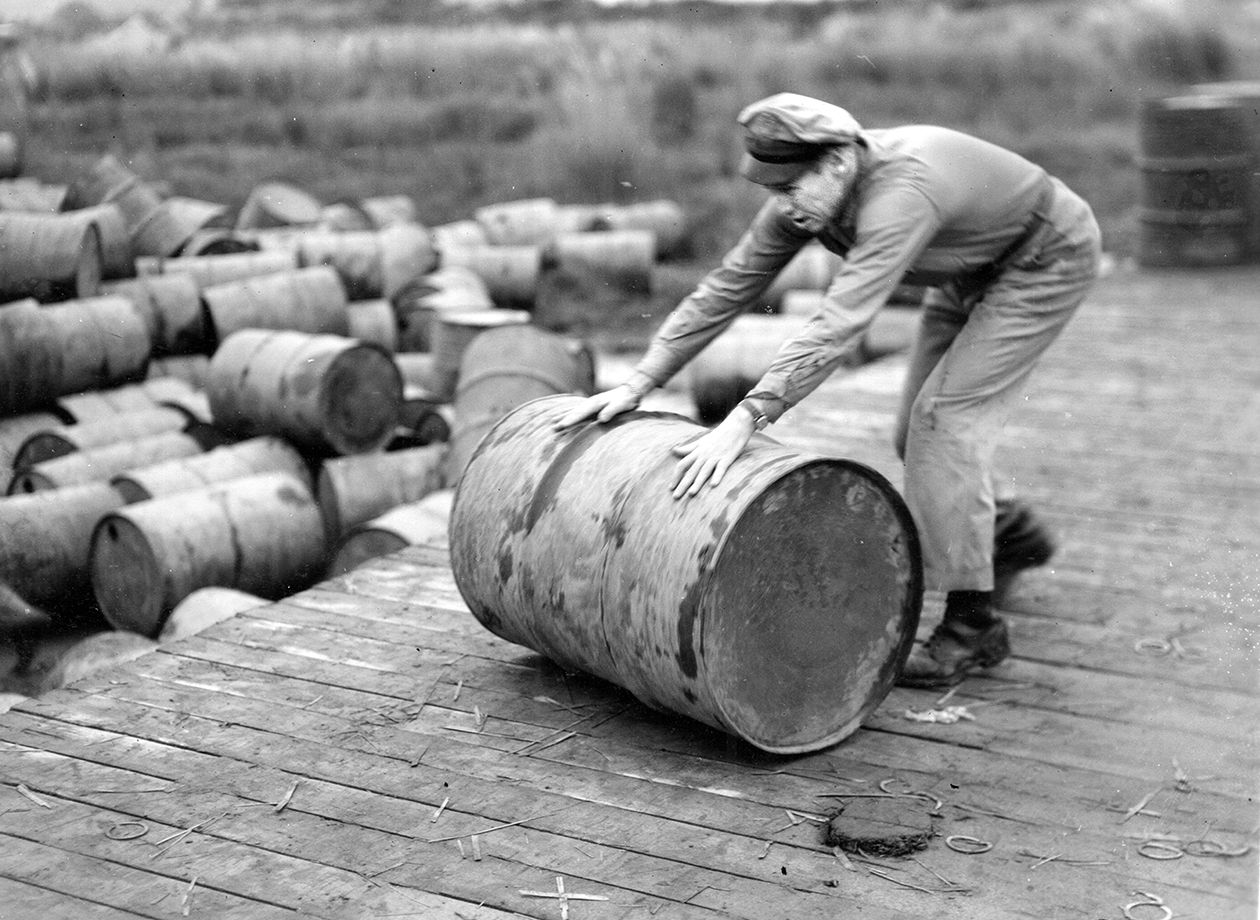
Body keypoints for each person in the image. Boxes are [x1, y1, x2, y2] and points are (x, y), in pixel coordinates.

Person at [557, 93, 1102, 689]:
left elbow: (838, 325)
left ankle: (974, 629)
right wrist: (643, 378)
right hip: (964, 265)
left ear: (839, 162)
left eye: (792, 189)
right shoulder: (808, 199)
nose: (784, 207)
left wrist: (748, 417)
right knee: (912, 437)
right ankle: (1010, 533)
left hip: (1042, 256)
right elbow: (728, 286)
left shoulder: (901, 196)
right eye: (773, 192)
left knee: (942, 424)